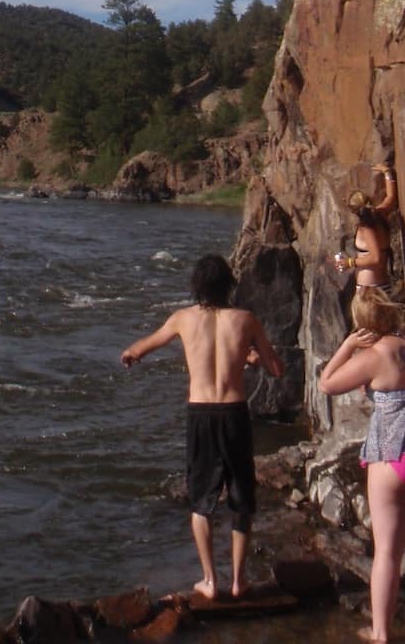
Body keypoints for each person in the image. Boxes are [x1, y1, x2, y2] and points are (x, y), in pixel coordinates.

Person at [120, 253, 284, 601]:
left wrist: (132, 353)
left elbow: (146, 345)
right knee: (242, 499)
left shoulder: (182, 319)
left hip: (201, 414)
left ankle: (209, 581)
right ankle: (239, 581)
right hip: (235, 412)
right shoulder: (246, 319)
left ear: (197, 287)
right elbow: (276, 369)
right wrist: (252, 357)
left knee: (201, 499)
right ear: (229, 285)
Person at [319, 287, 405, 644]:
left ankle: (381, 632)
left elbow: (327, 383)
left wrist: (348, 346)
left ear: (363, 324)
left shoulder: (373, 356)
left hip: (392, 458)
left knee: (388, 554)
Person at [335, 164, 397, 288]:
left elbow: (376, 258)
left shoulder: (366, 229)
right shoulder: (381, 214)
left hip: (369, 291)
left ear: (354, 211)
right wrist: (387, 172)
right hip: (381, 284)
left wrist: (350, 262)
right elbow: (391, 197)